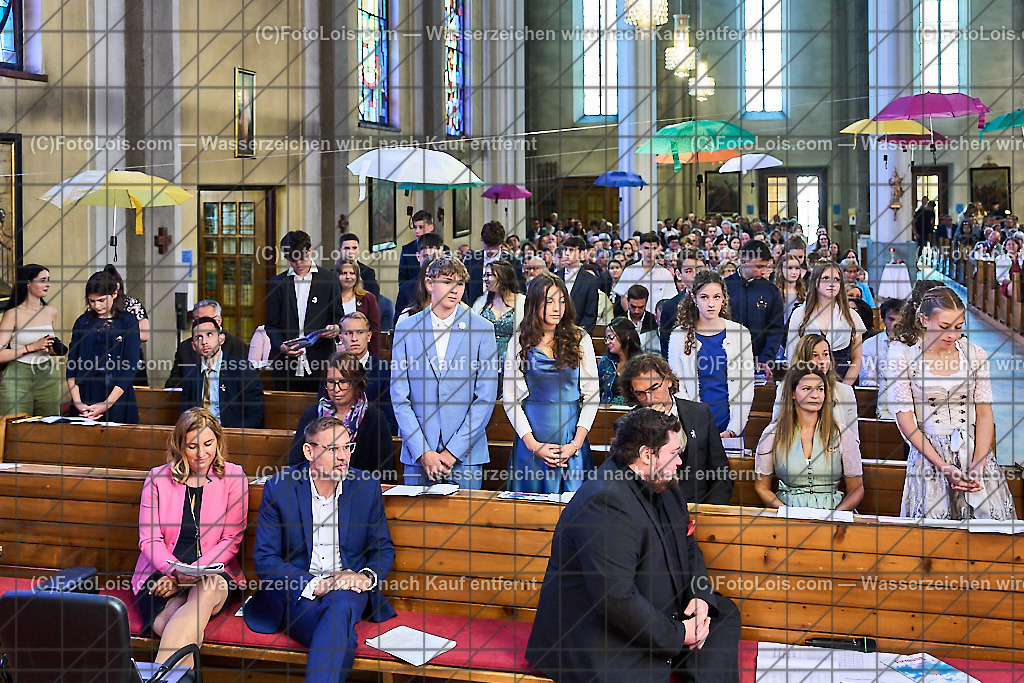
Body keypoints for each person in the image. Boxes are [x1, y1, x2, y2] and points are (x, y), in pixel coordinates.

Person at [526, 407, 741, 682]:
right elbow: (615, 598)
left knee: (722, 614)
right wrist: (678, 634)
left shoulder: (666, 482)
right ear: (646, 455)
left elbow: (688, 549)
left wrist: (699, 597)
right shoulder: (605, 502)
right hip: (601, 629)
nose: (680, 462)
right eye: (674, 454)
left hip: (657, 605)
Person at [244, 415, 396, 682]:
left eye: (347, 447)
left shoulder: (365, 487)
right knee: (341, 637)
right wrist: (314, 584)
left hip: (348, 590)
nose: (343, 457)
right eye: (333, 449)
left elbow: (382, 548)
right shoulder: (280, 487)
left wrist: (364, 577)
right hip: (297, 594)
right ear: (308, 450)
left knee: (339, 606)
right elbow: (265, 559)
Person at [132, 408, 249, 666]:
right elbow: (149, 540)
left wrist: (191, 575)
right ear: (179, 445)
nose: (201, 453)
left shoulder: (233, 477)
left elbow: (231, 539)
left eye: (208, 444)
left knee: (204, 591)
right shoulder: (157, 478)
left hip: (214, 571)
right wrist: (175, 574)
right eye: (192, 446)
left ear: (218, 442)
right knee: (175, 623)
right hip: (160, 572)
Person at [888, 287, 1016, 520]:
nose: (952, 335)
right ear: (924, 319)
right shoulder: (904, 360)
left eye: (958, 327)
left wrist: (978, 463)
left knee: (985, 533)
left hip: (973, 453)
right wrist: (943, 466)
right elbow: (906, 422)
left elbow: (985, 414)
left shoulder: (975, 355)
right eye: (944, 327)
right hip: (929, 456)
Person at [390, 255, 499, 488]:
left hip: (465, 456)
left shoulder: (481, 329)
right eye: (447, 282)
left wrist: (452, 452)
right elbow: (399, 398)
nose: (455, 289)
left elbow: (485, 398)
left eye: (460, 283)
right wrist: (423, 451)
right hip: (418, 455)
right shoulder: (406, 329)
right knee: (417, 524)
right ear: (430, 284)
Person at [503, 273, 598, 493]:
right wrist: (532, 444)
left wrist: (575, 444)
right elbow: (510, 398)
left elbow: (592, 394)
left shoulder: (580, 338)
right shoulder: (519, 341)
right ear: (535, 303)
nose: (557, 308)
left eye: (562, 301)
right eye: (550, 302)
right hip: (532, 437)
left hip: (571, 438)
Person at [620, 354, 733, 504]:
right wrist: (652, 424)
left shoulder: (700, 413)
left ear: (668, 380)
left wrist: (709, 513)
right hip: (653, 510)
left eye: (654, 388)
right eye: (640, 394)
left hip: (698, 507)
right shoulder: (627, 425)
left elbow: (721, 474)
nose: (649, 399)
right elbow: (628, 482)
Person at [754, 366, 864, 511]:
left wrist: (834, 517)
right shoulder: (773, 434)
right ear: (793, 393)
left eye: (820, 389)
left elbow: (856, 489)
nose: (815, 395)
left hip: (833, 515)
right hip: (787, 514)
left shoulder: (842, 433)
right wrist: (787, 512)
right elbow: (762, 487)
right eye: (807, 389)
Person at [669, 270, 754, 440]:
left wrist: (734, 429)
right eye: (704, 297)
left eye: (716, 297)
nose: (711, 304)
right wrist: (695, 423)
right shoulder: (679, 336)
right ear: (694, 298)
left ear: (723, 299)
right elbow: (678, 386)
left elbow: (747, 385)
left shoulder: (740, 333)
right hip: (694, 425)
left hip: (730, 424)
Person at [287, 352, 395, 483]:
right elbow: (295, 463)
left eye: (343, 382)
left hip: (359, 491)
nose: (336, 389)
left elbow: (384, 473)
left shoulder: (374, 418)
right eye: (331, 382)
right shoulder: (311, 414)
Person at [265, 231, 343, 393]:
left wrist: (335, 329)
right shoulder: (277, 283)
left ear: (309, 250)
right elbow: (271, 325)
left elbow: (338, 317)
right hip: (286, 366)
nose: (298, 263)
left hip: (320, 362)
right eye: (292, 260)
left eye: (301, 258)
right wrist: (282, 346)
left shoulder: (329, 279)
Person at [67, 269, 141, 423]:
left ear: (114, 293)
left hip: (117, 394)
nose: (96, 306)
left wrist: (106, 404)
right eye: (92, 301)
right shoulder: (83, 322)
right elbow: (71, 364)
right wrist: (78, 403)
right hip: (85, 393)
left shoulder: (128, 322)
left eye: (101, 300)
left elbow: (131, 366)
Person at [786, 261, 865, 383]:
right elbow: (793, 357)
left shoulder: (851, 316)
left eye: (836, 279)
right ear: (816, 282)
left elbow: (857, 359)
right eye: (826, 278)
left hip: (843, 382)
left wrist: (844, 388)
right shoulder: (800, 314)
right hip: (809, 383)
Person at [179, 317, 265, 429]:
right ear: (194, 346)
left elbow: (256, 417)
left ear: (221, 339)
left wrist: (225, 433)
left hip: (234, 435)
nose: (204, 342)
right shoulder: (190, 373)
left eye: (209, 334)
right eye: (199, 337)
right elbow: (185, 415)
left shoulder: (242, 370)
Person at [0, 265, 61, 416]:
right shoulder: (12, 314)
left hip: (47, 375)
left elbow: (50, 350)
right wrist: (31, 347)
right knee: (16, 429)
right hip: (17, 377)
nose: (48, 284)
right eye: (42, 280)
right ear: (28, 283)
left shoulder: (51, 312)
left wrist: (53, 349)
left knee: (48, 427)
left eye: (48, 280)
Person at [774, 334, 859, 440]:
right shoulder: (784, 389)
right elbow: (777, 431)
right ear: (803, 359)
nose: (822, 360)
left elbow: (853, 438)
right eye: (815, 355)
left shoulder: (845, 392)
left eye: (825, 354)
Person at [724, 240, 785, 379]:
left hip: (760, 363)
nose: (763, 271)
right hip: (727, 361)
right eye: (758, 266)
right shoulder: (724, 287)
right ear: (744, 262)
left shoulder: (771, 291)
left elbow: (776, 330)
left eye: (765, 266)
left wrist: (766, 357)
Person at [166, 300, 248, 389]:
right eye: (197, 320)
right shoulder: (184, 348)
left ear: (219, 321)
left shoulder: (237, 346)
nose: (201, 324)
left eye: (206, 320)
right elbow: (173, 385)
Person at [338, 312, 397, 434]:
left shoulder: (385, 370)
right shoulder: (333, 369)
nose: (354, 338)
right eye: (349, 333)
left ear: (369, 336)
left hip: (372, 438)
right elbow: (323, 410)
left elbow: (390, 419)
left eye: (360, 332)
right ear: (340, 338)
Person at [103, 264, 151, 387]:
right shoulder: (98, 306)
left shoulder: (131, 304)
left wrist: (121, 335)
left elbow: (145, 334)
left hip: (129, 356)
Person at [472, 260, 525, 363]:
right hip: (483, 359)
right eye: (484, 275)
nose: (484, 279)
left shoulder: (523, 303)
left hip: (513, 359)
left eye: (488, 275)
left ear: (503, 277)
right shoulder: (480, 303)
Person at [859, 298, 903, 420]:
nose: (896, 324)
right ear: (883, 319)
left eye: (900, 319)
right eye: (892, 319)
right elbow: (866, 380)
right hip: (876, 399)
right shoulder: (869, 344)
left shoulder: (916, 344)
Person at [614, 232, 676, 316]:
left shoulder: (665, 274)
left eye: (653, 248)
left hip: (657, 320)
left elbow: (670, 300)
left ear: (658, 249)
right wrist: (632, 318)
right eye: (646, 248)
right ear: (640, 248)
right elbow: (624, 298)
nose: (649, 252)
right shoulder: (629, 271)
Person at [659, 248, 706, 357]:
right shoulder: (669, 307)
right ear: (679, 274)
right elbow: (666, 350)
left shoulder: (720, 302)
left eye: (699, 269)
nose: (695, 275)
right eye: (689, 271)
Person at [335, 260, 381, 356]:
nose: (348, 277)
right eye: (344, 273)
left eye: (352, 273)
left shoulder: (368, 298)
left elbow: (375, 331)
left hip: (361, 354)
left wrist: (374, 358)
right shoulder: (329, 299)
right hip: (336, 354)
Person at [394, 233, 445, 319]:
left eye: (435, 257)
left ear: (443, 256)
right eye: (426, 256)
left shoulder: (454, 286)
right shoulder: (406, 290)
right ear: (418, 257)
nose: (431, 261)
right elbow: (398, 325)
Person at [555, 235, 600, 333]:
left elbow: (590, 314)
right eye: (565, 249)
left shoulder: (590, 280)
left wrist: (579, 336)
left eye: (571, 250)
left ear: (582, 254)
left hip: (578, 334)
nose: (566, 253)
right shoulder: (555, 277)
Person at [598, 317, 642, 404]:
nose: (607, 342)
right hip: (609, 410)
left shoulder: (641, 363)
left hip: (634, 411)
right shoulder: (606, 362)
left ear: (626, 336)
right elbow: (597, 390)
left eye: (611, 338)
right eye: (606, 339)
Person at [336, 230, 380, 298]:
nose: (351, 252)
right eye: (347, 248)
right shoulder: (331, 273)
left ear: (359, 250)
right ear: (339, 250)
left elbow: (373, 299)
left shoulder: (368, 273)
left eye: (354, 248)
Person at [398, 209, 437, 284]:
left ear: (431, 227)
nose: (417, 231)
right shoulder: (407, 249)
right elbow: (402, 280)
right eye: (415, 227)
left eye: (421, 227)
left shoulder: (443, 248)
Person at [772, 253, 806, 324]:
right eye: (789, 268)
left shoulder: (803, 292)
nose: (794, 272)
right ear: (781, 269)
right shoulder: (774, 292)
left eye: (797, 268)